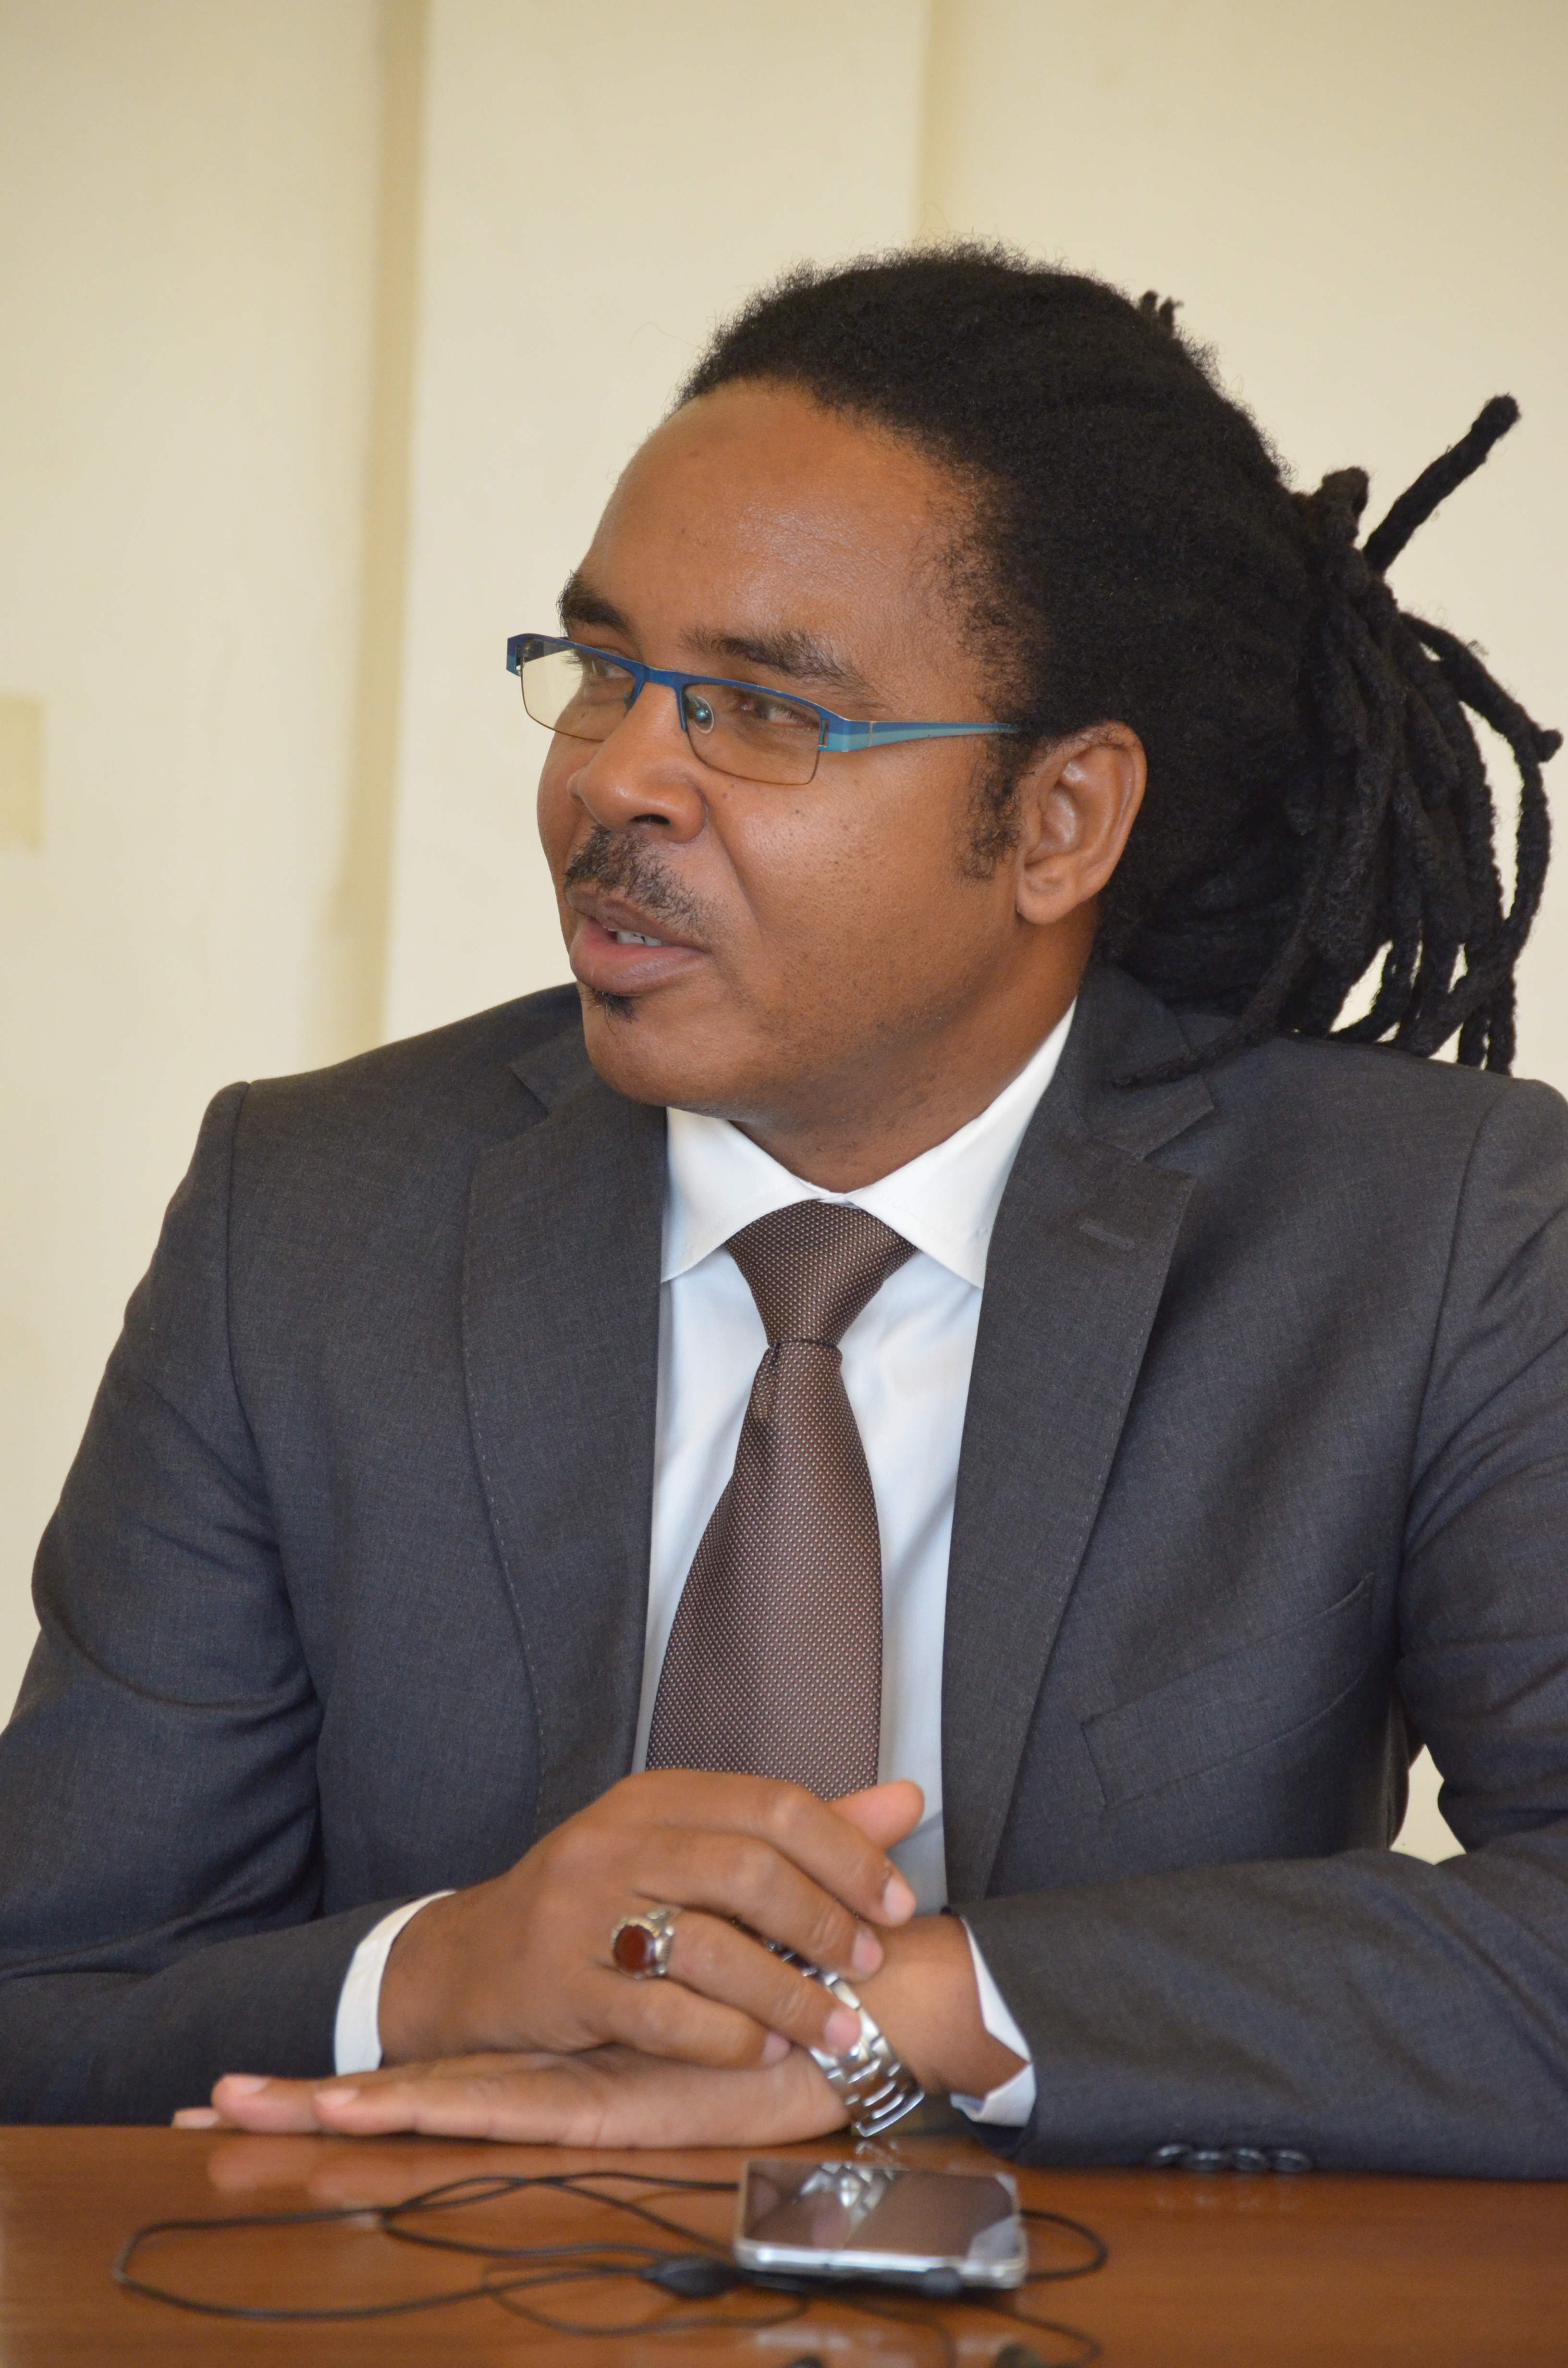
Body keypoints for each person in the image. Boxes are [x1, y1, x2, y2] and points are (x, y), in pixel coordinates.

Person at [2, 248, 1565, 2177]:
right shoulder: (310, 1216)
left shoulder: (1432, 1237)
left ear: (1061, 820)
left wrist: (902, 2014)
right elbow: (48, 1987)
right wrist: (442, 1969)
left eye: (759, 711)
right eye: (603, 671)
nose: (614, 780)